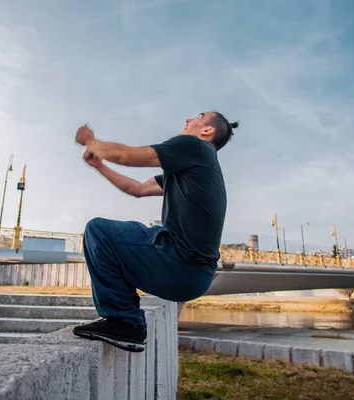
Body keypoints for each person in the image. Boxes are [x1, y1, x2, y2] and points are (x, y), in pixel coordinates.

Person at [73, 111, 238, 352]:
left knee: (99, 231)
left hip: (180, 265)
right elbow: (136, 188)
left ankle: (125, 321)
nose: (187, 119)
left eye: (198, 116)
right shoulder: (189, 168)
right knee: (124, 233)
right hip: (196, 277)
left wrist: (90, 141)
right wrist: (99, 165)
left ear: (207, 131)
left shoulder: (195, 146)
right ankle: (124, 320)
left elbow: (127, 156)